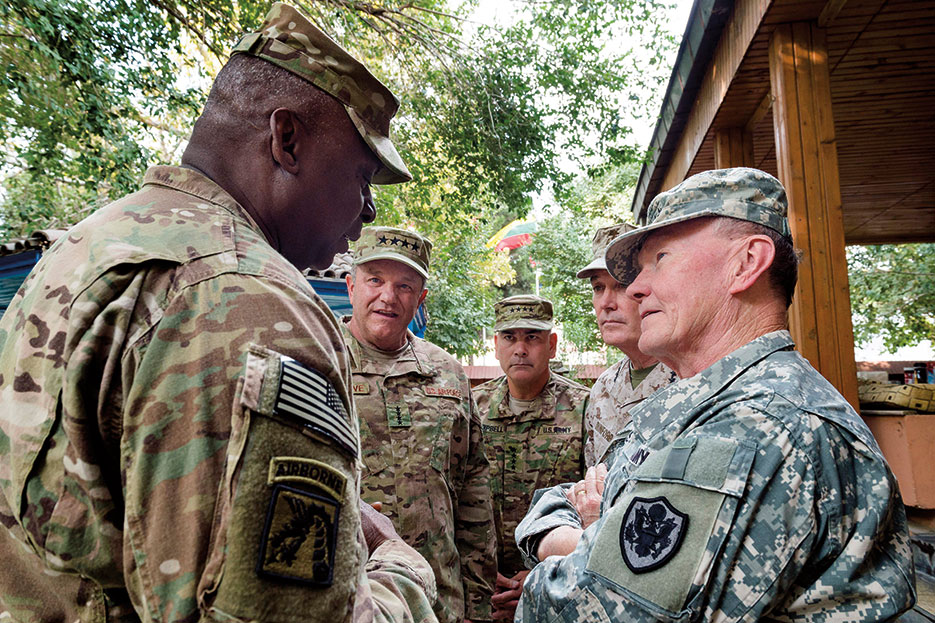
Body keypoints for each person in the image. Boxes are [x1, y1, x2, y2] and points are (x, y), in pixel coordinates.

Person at [0, 4, 439, 622]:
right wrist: (402, 566)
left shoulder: (89, 246)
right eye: (363, 175)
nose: (367, 210)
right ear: (286, 140)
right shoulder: (251, 304)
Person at [515, 167, 916, 621]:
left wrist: (570, 547)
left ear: (746, 263)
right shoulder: (699, 403)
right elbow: (564, 498)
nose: (637, 287)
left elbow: (584, 609)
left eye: (660, 258)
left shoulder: (762, 425)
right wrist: (587, 542)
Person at [342, 226, 497, 623]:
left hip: (440, 600)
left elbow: (473, 490)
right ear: (351, 286)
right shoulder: (321, 360)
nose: (388, 297)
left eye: (405, 286)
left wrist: (477, 604)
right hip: (356, 598)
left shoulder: (446, 373)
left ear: (421, 299)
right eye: (374, 280)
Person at [473, 295, 590, 621]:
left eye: (532, 338)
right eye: (510, 337)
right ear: (496, 345)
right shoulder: (473, 407)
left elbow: (594, 510)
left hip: (557, 591)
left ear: (551, 345)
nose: (520, 349)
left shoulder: (583, 409)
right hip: (485, 589)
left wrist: (537, 577)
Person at [576, 223, 677, 469]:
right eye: (598, 288)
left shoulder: (690, 378)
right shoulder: (603, 388)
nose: (606, 303)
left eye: (620, 285)